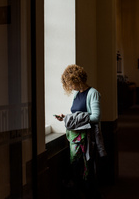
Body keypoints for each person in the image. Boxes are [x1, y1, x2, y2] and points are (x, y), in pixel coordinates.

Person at [55, 64, 106, 199]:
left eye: (71, 83)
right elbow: (77, 114)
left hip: (88, 140)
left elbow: (96, 116)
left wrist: (75, 119)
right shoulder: (77, 94)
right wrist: (66, 117)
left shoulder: (92, 93)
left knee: (88, 171)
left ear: (77, 79)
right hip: (76, 139)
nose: (70, 87)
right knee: (77, 171)